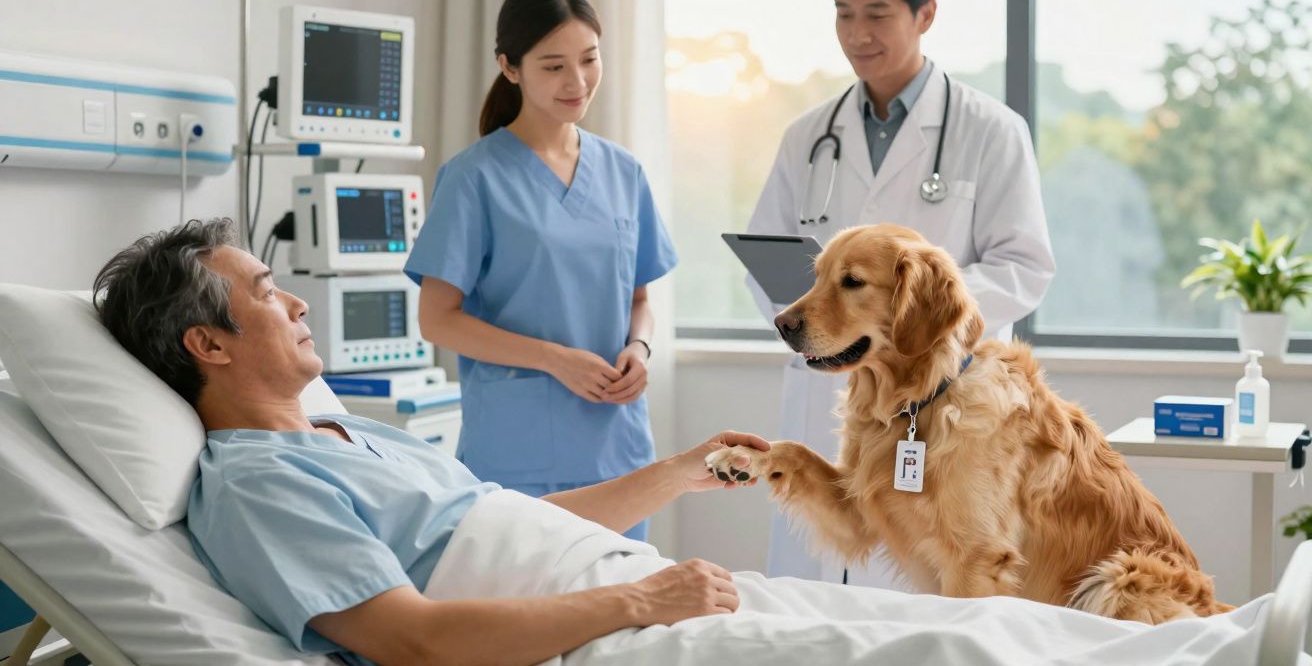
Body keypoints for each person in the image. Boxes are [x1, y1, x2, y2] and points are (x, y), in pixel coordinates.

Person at [90, 220, 1273, 666]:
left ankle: (1244, 643)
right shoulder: (253, 482)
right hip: (595, 631)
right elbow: (410, 640)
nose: (298, 302)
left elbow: (506, 521)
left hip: (616, 583)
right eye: (265, 293)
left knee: (978, 623)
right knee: (931, 651)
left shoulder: (352, 432)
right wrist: (638, 608)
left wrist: (672, 475)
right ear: (206, 346)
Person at [747, 0, 1056, 586]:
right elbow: (769, 257)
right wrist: (827, 330)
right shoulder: (808, 137)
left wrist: (912, 316)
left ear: (925, 14)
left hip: (945, 411)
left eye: (877, 13)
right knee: (812, 612)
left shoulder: (992, 132)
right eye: (844, 13)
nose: (858, 33)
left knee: (932, 600)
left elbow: (1024, 265)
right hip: (833, 391)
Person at [404, 0, 677, 541]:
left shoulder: (624, 172)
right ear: (510, 67)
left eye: (589, 59)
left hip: (616, 446)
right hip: (517, 452)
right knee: (531, 610)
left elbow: (640, 295)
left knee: (627, 614)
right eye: (553, 66)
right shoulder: (473, 177)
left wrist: (640, 348)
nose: (576, 82)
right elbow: (437, 319)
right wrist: (555, 359)